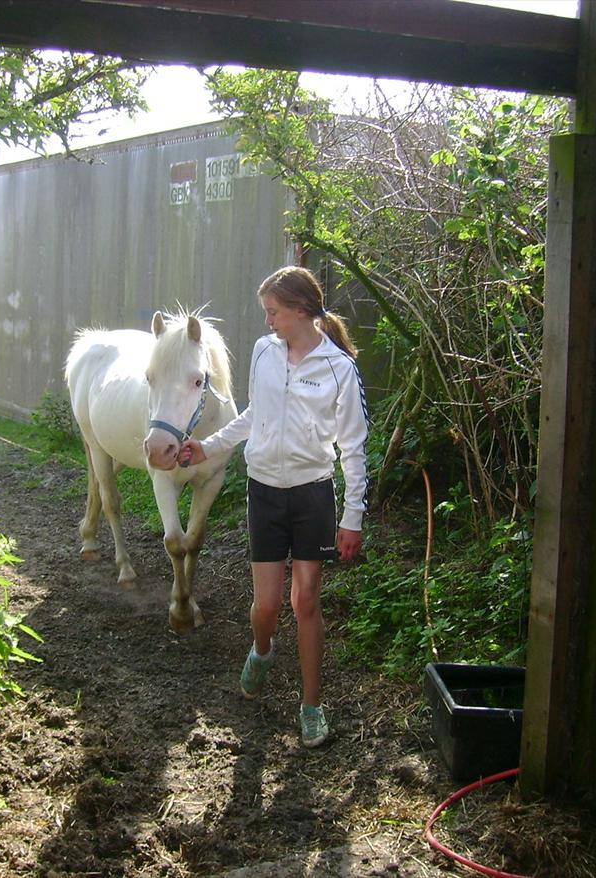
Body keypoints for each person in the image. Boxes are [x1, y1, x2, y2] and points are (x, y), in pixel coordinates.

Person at [180, 265, 369, 748]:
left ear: (301, 310)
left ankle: (310, 706)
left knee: (305, 600)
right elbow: (254, 414)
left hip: (312, 495)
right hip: (264, 490)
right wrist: (209, 446)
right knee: (265, 605)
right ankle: (261, 651)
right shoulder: (266, 352)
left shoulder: (338, 369)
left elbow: (353, 447)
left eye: (273, 312)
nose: (267, 322)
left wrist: (352, 518)